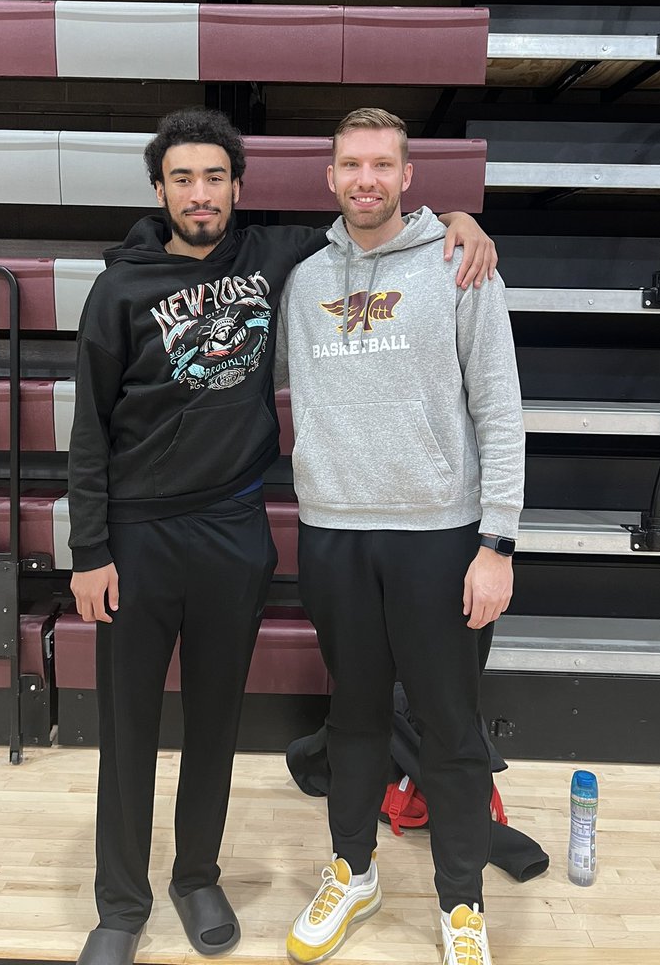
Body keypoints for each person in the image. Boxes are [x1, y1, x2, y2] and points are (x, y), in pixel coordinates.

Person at [67, 107, 498, 965]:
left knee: (217, 721)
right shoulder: (118, 288)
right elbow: (89, 425)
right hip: (138, 536)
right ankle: (120, 902)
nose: (200, 193)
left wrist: (458, 219)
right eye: (182, 178)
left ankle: (196, 875)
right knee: (128, 727)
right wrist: (88, 550)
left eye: (215, 177)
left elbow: (378, 220)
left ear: (238, 187)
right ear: (159, 190)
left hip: (232, 529)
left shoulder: (274, 256)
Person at [276, 108, 525, 965]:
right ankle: (354, 870)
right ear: (331, 176)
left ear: (410, 175)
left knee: (452, 730)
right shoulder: (302, 280)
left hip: (439, 537)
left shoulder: (459, 265)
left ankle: (461, 904)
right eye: (351, 164)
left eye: (383, 164)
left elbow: (499, 407)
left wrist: (498, 543)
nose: (366, 179)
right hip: (335, 534)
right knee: (352, 721)